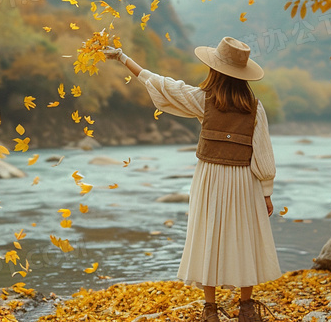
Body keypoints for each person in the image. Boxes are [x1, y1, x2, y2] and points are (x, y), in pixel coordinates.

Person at [104, 37, 281, 322]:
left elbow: (161, 84)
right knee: (246, 237)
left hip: (210, 177)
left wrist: (123, 58)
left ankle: (210, 310)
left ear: (215, 71)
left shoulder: (203, 101)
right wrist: (266, 191)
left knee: (209, 235)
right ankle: (246, 308)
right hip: (244, 181)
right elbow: (263, 152)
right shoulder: (255, 108)